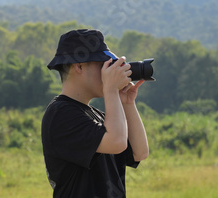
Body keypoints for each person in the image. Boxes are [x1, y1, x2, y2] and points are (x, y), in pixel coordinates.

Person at [41, 29, 149, 198]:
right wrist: (111, 89)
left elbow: (140, 152)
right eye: (104, 65)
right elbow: (117, 142)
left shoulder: (97, 116)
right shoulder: (60, 114)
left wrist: (127, 103)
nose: (110, 71)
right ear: (79, 66)